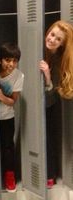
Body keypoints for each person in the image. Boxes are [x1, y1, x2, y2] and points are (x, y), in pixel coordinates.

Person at [39, 20, 73, 188]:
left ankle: (49, 174)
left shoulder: (61, 60)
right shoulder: (38, 47)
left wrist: (47, 76)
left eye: (58, 39)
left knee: (48, 137)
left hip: (50, 104)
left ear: (62, 44)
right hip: (33, 101)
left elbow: (53, 94)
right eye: (52, 34)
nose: (52, 39)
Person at [0, 42, 24, 192]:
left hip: (6, 117)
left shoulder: (19, 76)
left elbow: (13, 101)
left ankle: (9, 176)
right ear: (0, 60)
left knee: (7, 148)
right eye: (7, 60)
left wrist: (0, 96)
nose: (11, 64)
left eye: (14, 61)